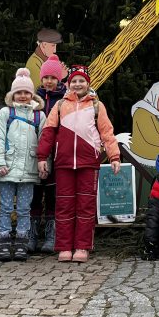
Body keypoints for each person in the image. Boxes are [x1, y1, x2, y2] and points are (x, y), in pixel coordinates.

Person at [36, 65, 121, 263]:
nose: (77, 84)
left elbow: (107, 133)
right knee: (64, 206)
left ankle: (82, 246)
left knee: (85, 206)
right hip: (64, 163)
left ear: (88, 83)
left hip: (88, 163)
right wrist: (42, 157)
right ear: (68, 84)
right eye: (73, 81)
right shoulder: (60, 106)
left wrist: (114, 156)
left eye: (81, 80)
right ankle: (64, 247)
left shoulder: (97, 106)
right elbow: (48, 132)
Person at [0, 68, 45, 262]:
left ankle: (22, 243)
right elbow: (0, 138)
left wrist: (44, 165)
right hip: (6, 169)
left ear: (32, 95)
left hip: (29, 170)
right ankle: (4, 242)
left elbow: (44, 143)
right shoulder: (5, 113)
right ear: (13, 94)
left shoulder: (39, 116)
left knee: (24, 209)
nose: (23, 96)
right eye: (19, 92)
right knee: (6, 208)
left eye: (26, 92)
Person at [29, 53, 67, 254]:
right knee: (35, 194)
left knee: (53, 195)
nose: (49, 81)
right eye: (46, 77)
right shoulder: (34, 99)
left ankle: (52, 235)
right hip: (36, 152)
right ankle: (32, 234)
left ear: (59, 79)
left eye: (53, 77)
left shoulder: (65, 99)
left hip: (57, 153)